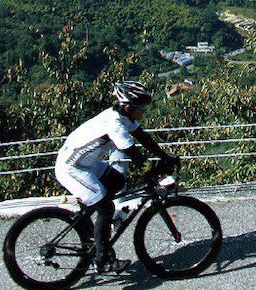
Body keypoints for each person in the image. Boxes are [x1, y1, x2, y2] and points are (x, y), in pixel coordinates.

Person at [54, 80, 179, 274]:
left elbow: (144, 138)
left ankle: (91, 223)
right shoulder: (115, 124)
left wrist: (165, 157)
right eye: (142, 107)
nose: (144, 111)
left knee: (116, 181)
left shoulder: (123, 116)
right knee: (106, 207)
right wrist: (156, 172)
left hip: (85, 164)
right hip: (71, 168)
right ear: (129, 106)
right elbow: (134, 155)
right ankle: (103, 259)